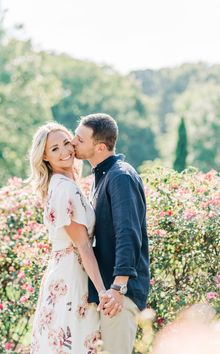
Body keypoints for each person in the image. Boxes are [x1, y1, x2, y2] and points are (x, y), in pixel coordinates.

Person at [71, 113, 150, 354]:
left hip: (119, 295)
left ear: (101, 147)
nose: (73, 142)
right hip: (107, 292)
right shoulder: (102, 176)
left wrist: (119, 287)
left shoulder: (120, 176)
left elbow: (128, 233)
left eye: (80, 139)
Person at [28, 122, 106, 354]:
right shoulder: (64, 189)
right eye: (55, 149)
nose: (65, 151)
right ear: (44, 157)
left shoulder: (66, 184)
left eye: (66, 143)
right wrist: (103, 291)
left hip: (66, 273)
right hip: (73, 278)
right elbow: (82, 244)